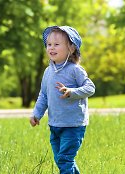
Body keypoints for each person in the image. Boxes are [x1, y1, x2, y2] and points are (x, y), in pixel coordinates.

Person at [30, 26, 95, 174]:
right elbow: (43, 95)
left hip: (73, 125)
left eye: (56, 44)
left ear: (71, 48)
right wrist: (36, 114)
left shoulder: (75, 70)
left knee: (65, 159)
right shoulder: (48, 71)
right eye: (49, 44)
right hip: (55, 124)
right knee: (61, 160)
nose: (51, 48)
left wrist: (71, 91)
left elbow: (90, 88)